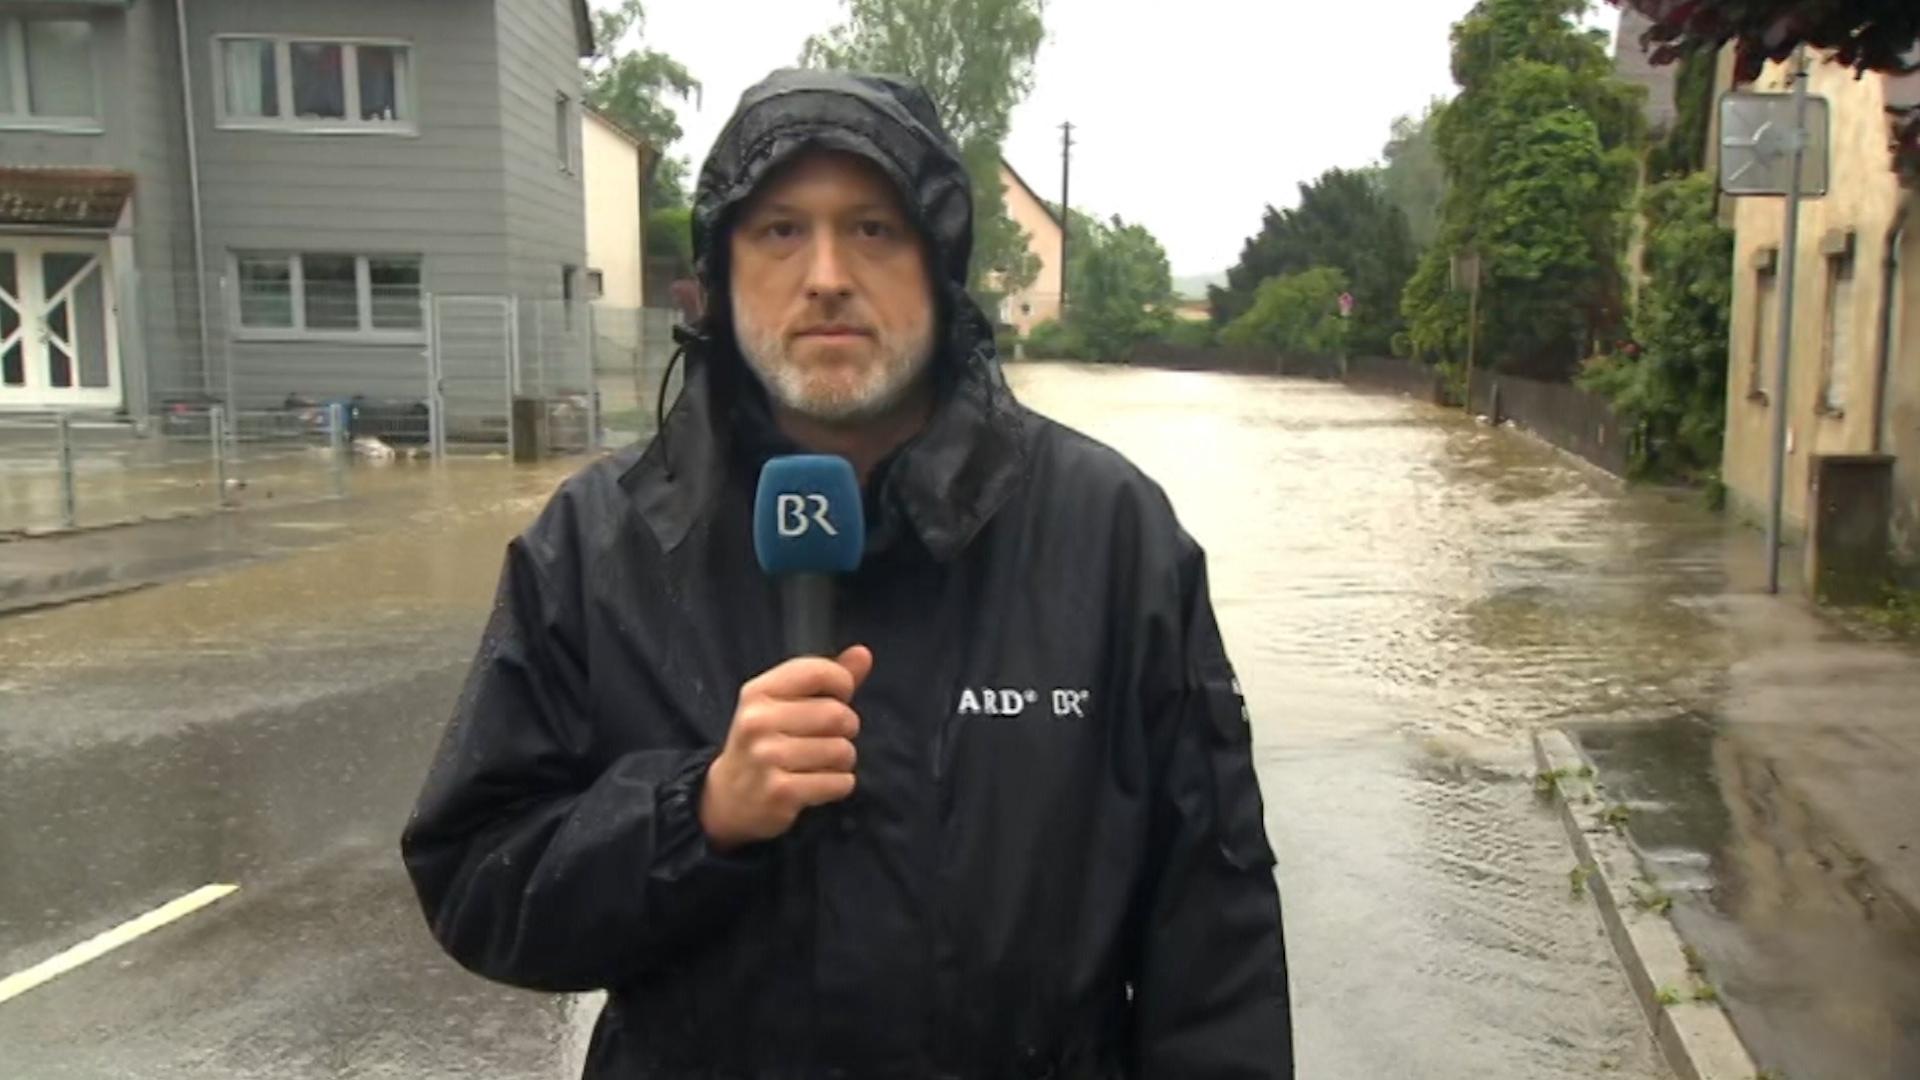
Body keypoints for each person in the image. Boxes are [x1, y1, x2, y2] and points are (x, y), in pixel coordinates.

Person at [401, 68, 1291, 1079]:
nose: (826, 273)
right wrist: (696, 815)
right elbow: (475, 877)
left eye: (873, 229)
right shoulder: (599, 545)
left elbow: (1215, 935)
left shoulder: (1112, 534)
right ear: (722, 272)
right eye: (780, 231)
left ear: (937, 262)